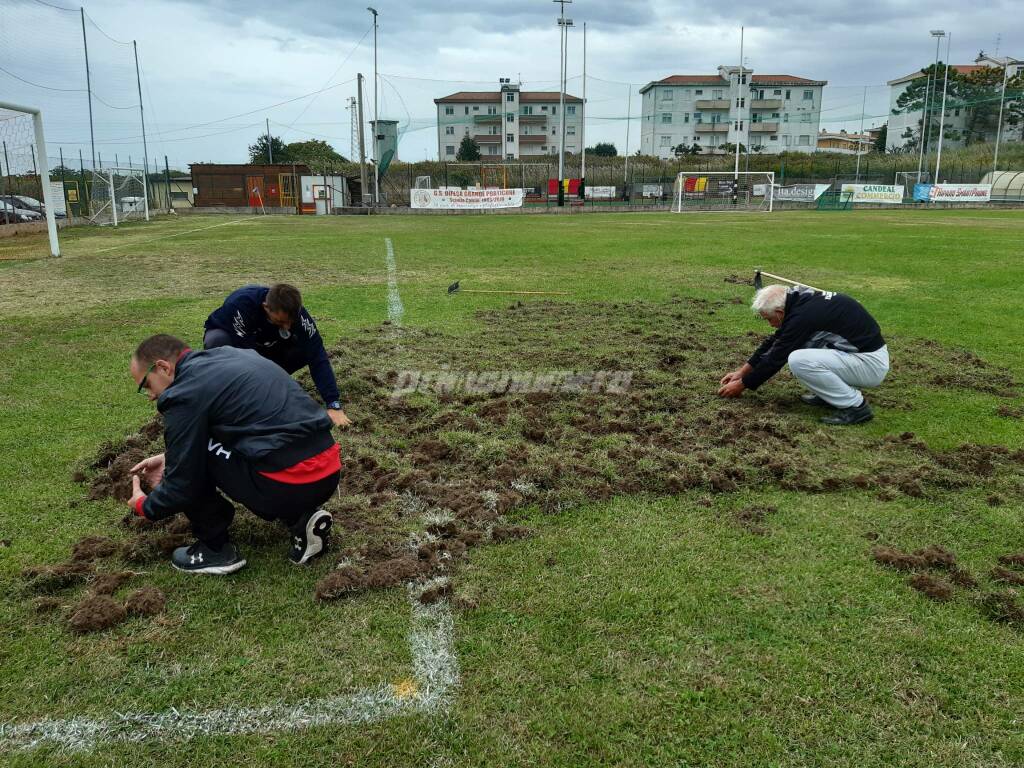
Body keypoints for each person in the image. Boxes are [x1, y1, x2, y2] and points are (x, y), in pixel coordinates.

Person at [127, 334, 341, 574]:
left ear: (163, 367)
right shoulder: (233, 354)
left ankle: (214, 549)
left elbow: (183, 482)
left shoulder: (182, 393)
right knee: (201, 447)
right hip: (329, 471)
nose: (151, 396)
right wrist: (170, 457)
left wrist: (145, 506)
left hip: (290, 483)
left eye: (147, 385)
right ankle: (301, 519)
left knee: (194, 461)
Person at [718, 284, 889, 426]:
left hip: (870, 364)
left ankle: (857, 407)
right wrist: (742, 372)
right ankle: (829, 395)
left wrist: (742, 385)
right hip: (856, 355)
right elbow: (775, 341)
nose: (770, 325)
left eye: (769, 319)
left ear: (779, 312)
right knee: (801, 349)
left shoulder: (802, 316)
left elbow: (776, 357)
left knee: (798, 360)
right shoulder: (799, 302)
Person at [203, 283, 351, 428]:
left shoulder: (298, 315)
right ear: (266, 307)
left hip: (267, 344)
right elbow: (246, 357)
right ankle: (227, 392)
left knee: (306, 349)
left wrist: (333, 404)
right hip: (235, 342)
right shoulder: (241, 305)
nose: (286, 327)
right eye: (281, 321)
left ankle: (272, 382)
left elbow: (317, 355)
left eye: (290, 322)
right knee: (216, 340)